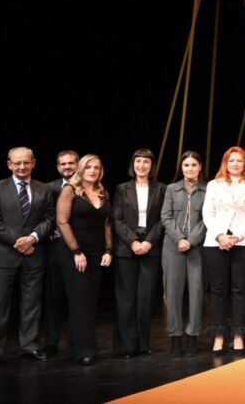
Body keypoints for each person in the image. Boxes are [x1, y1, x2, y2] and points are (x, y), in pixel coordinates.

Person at [0, 147, 56, 368]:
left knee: (32, 304)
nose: (22, 167)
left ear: (33, 162)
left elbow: (50, 219)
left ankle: (30, 345)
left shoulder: (44, 189)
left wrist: (32, 238)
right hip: (2, 255)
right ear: (9, 164)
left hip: (34, 255)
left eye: (26, 162)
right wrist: (20, 241)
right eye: (17, 163)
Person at [56, 153, 113, 364]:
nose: (92, 171)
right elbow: (62, 222)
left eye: (96, 167)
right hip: (74, 252)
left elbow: (107, 224)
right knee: (80, 300)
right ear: (81, 169)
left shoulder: (102, 191)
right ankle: (85, 350)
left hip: (97, 253)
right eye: (88, 167)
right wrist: (76, 251)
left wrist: (108, 250)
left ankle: (74, 347)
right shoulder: (69, 190)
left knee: (89, 301)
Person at [203, 146, 245, 356]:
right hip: (215, 241)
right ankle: (218, 335)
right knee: (218, 290)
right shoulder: (213, 185)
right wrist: (220, 236)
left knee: (240, 290)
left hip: (243, 242)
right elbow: (208, 213)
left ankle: (238, 335)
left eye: (239, 161)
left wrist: (236, 236)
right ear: (225, 163)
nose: (235, 164)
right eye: (232, 160)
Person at [112, 149, 167, 358]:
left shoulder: (161, 189)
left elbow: (163, 219)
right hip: (127, 249)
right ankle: (127, 346)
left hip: (150, 249)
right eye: (138, 161)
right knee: (127, 299)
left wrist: (148, 242)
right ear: (132, 164)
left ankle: (143, 344)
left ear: (151, 165)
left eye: (146, 162)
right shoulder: (121, 188)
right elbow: (116, 219)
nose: (142, 165)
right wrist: (133, 241)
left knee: (145, 299)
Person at [161, 151, 207, 357]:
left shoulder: (208, 190)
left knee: (196, 293)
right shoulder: (172, 189)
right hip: (173, 247)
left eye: (193, 165)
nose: (190, 168)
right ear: (182, 168)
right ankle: (175, 338)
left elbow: (208, 219)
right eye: (186, 165)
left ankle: (192, 337)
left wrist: (191, 240)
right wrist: (180, 239)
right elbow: (166, 216)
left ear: (200, 167)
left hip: (197, 247)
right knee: (172, 293)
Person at [41, 150, 76, 356]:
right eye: (63, 164)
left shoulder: (86, 187)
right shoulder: (48, 189)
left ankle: (75, 342)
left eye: (71, 163)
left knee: (77, 299)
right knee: (53, 298)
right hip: (54, 248)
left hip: (80, 249)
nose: (67, 167)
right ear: (58, 167)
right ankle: (51, 343)